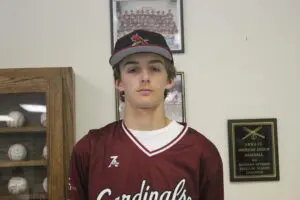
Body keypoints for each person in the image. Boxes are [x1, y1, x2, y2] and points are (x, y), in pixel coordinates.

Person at [67, 29, 224, 200]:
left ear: (170, 79)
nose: (145, 77)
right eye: (133, 69)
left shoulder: (202, 151)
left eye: (155, 68)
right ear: (118, 82)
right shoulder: (90, 148)